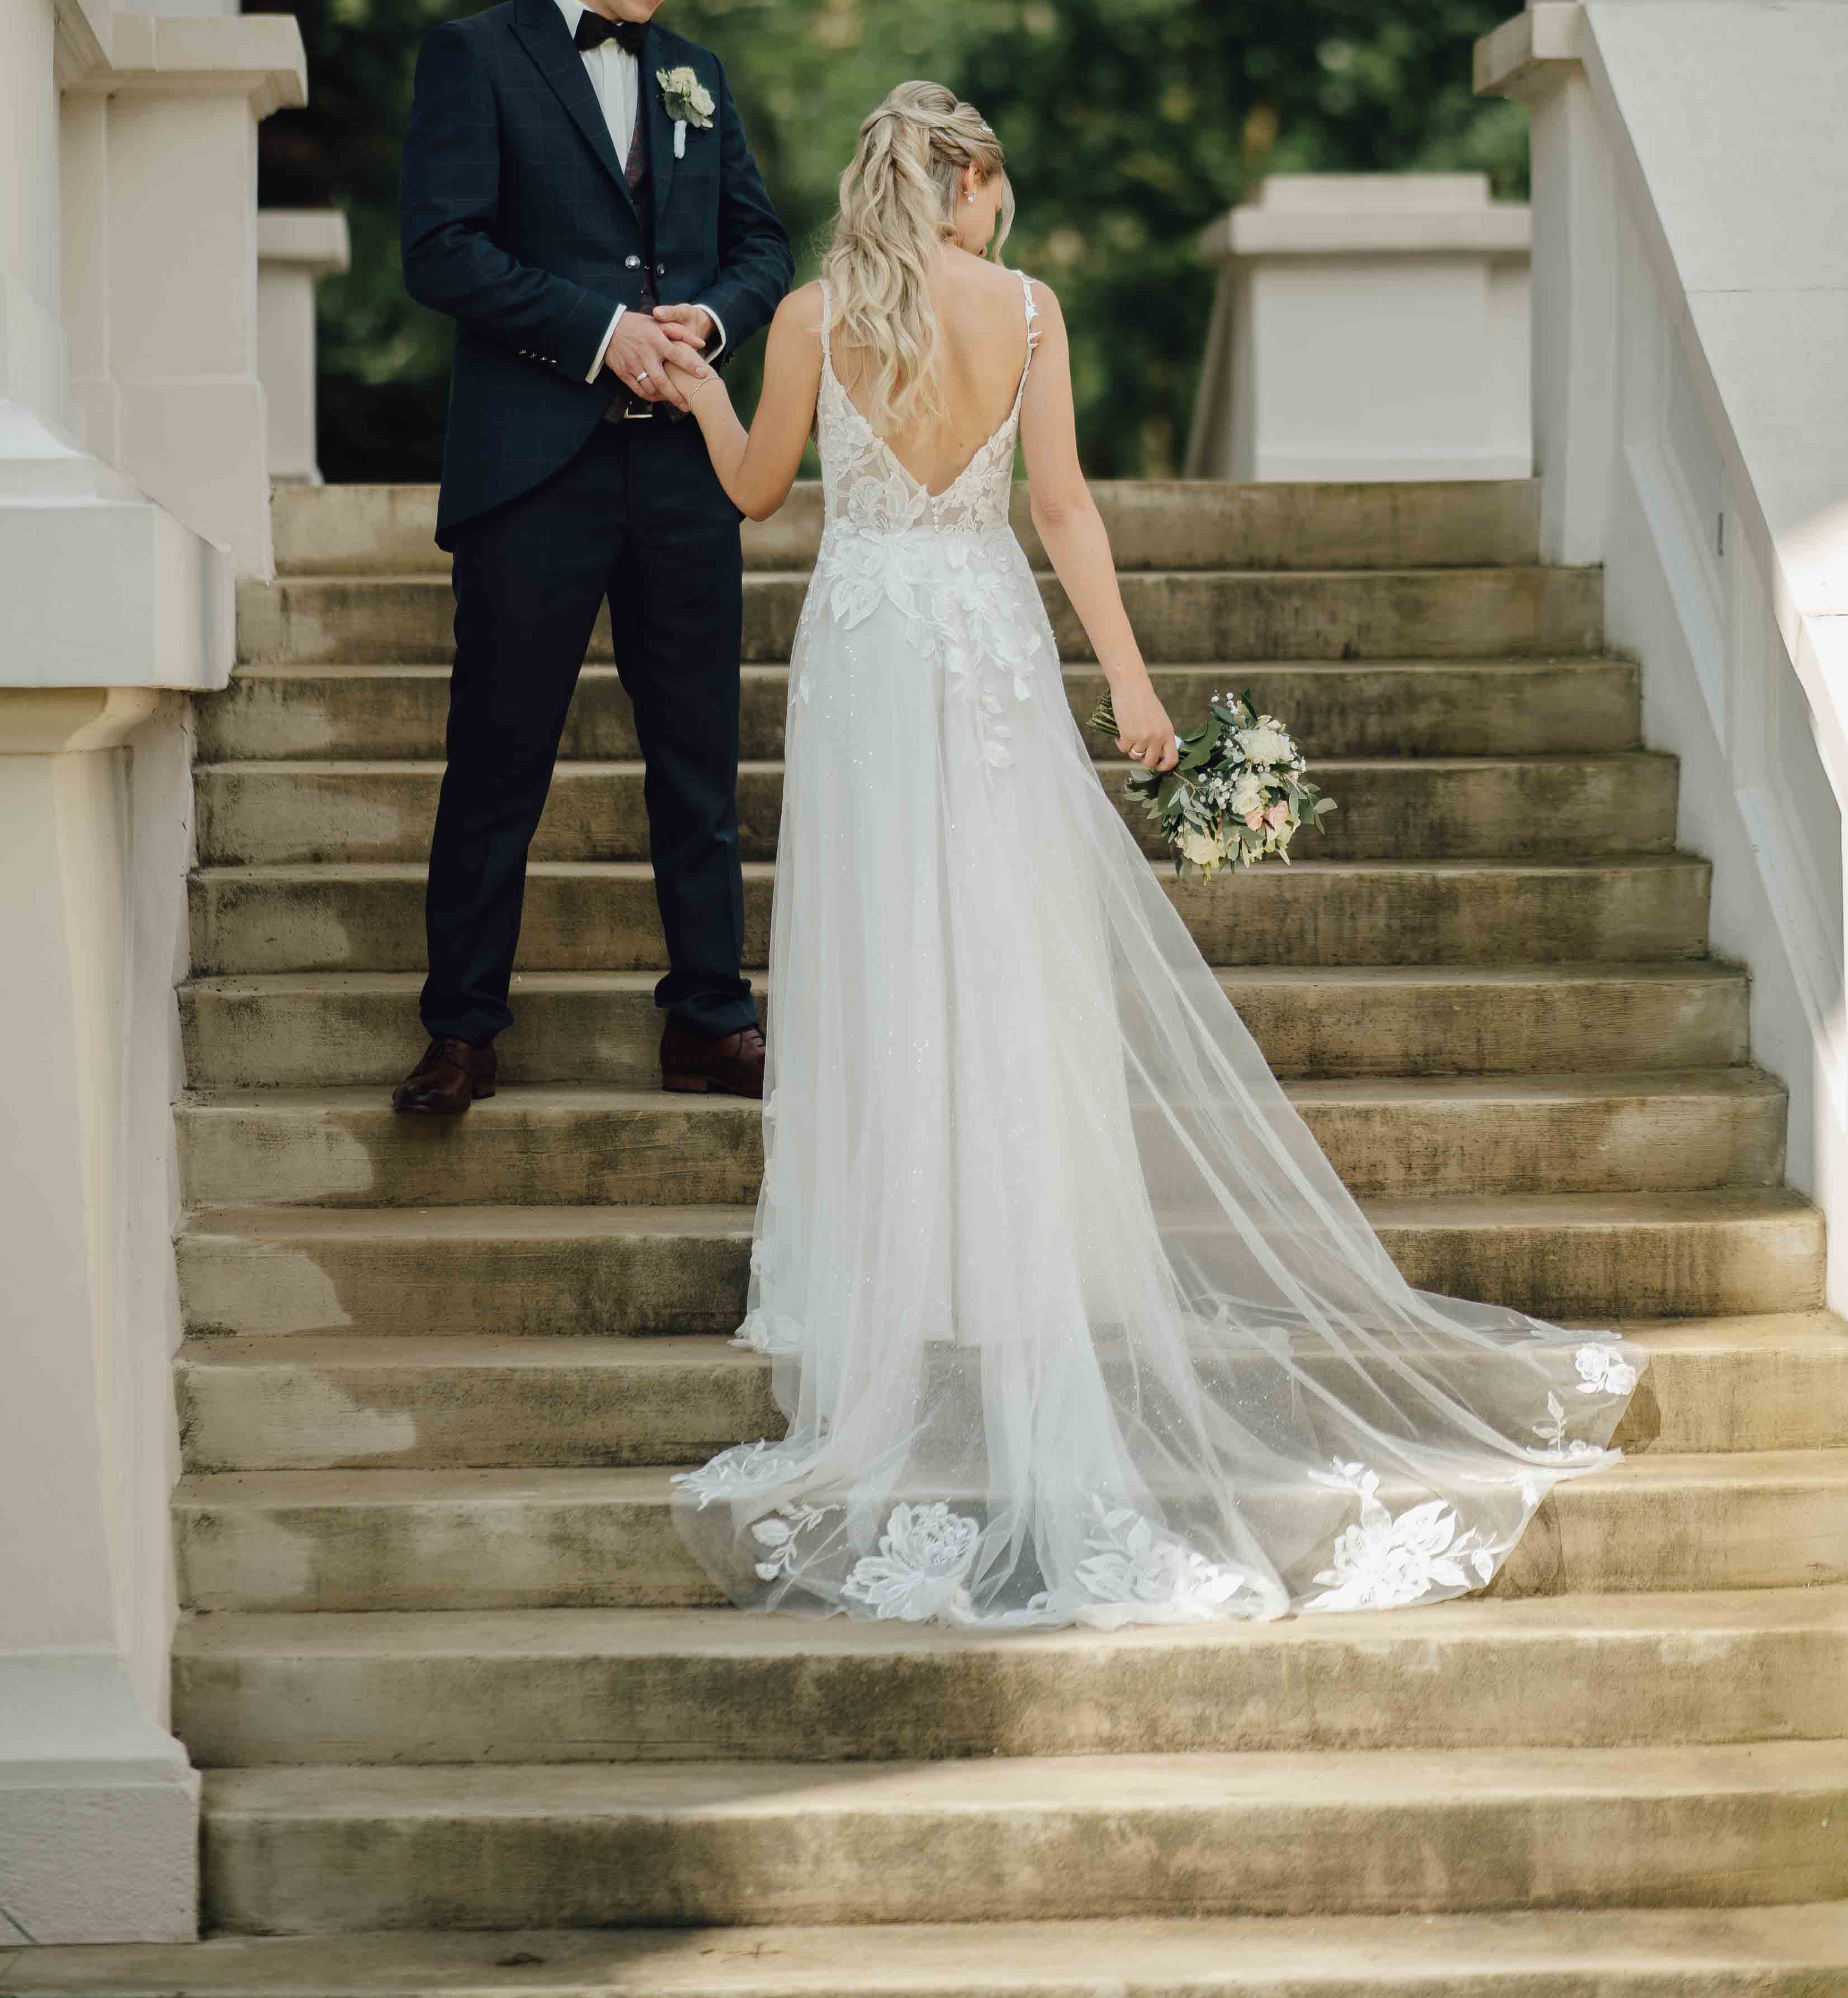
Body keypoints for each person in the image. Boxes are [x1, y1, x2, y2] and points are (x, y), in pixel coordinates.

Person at [664, 79, 1642, 1628]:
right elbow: (1061, 511)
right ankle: (1011, 1255)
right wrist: (1129, 682)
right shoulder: (1030, 314)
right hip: (981, 644)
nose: (1005, 212)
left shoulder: (801, 318)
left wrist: (696, 389)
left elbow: (751, 489)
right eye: (999, 187)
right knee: (1006, 946)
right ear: (968, 177)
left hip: (860, 656)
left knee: (877, 949)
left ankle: (893, 1273)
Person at [391, 0, 792, 1118]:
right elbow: (440, 251)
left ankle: (709, 1020)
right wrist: (596, 333)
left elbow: (760, 246)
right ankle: (459, 1031)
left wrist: (709, 326)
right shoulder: (474, 56)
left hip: (681, 470)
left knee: (696, 759)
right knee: (498, 757)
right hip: (534, 472)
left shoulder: (697, 77)